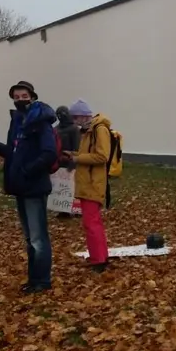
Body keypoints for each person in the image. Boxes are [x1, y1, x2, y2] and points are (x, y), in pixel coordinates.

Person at [0, 81, 58, 294]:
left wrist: (27, 170)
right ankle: (34, 279)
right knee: (29, 238)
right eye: (16, 97)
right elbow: (13, 153)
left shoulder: (41, 122)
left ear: (32, 97)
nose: (20, 100)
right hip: (20, 186)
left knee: (38, 237)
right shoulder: (17, 121)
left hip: (34, 186)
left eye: (24, 96)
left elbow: (49, 153)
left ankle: (42, 280)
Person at [63, 100, 114, 272]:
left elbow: (102, 156)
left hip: (93, 182)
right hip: (88, 182)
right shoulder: (89, 131)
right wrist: (73, 154)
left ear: (83, 116)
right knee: (91, 223)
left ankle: (99, 260)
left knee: (92, 223)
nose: (74, 121)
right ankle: (98, 257)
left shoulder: (99, 130)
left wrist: (77, 158)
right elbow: (88, 154)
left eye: (75, 117)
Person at [53, 104, 81, 219]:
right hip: (60, 162)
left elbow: (77, 147)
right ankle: (63, 210)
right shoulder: (56, 129)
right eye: (59, 114)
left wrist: (73, 160)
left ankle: (77, 210)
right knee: (61, 187)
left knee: (74, 187)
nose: (61, 116)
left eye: (63, 114)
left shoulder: (74, 129)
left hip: (72, 161)